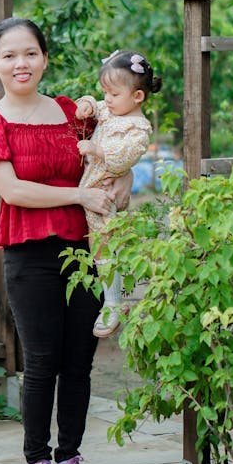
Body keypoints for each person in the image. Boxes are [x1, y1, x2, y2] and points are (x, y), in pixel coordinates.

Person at [0, 17, 131, 464]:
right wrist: (81, 196)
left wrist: (123, 178)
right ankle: (37, 461)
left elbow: (124, 130)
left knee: (80, 362)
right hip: (29, 252)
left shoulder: (70, 112)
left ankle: (71, 459)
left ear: (44, 58)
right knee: (41, 362)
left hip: (85, 251)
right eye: (11, 55)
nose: (22, 63)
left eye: (31, 53)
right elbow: (13, 191)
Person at [75, 49, 162, 338]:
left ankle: (114, 302)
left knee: (104, 246)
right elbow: (96, 106)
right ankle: (116, 299)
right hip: (93, 189)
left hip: (105, 192)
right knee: (103, 245)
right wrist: (86, 104)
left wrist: (96, 149)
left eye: (112, 94)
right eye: (105, 93)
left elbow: (125, 158)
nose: (107, 100)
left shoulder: (137, 128)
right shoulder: (111, 111)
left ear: (137, 97)